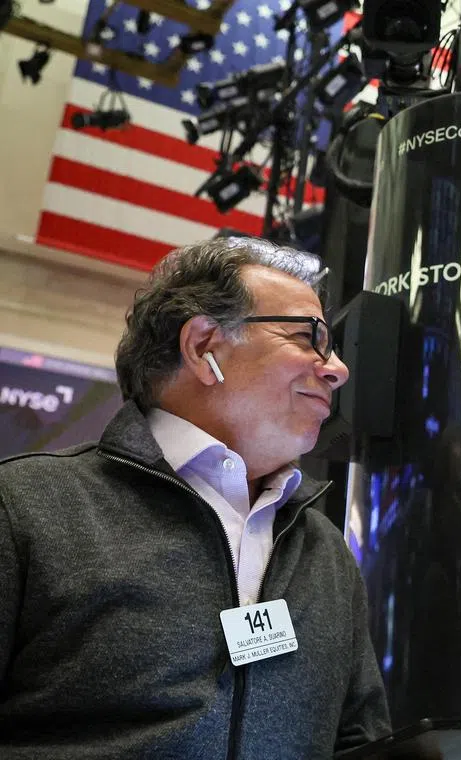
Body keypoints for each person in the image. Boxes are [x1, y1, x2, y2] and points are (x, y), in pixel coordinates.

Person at [0, 237, 391, 758]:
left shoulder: (324, 549)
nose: (337, 369)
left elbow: (360, 740)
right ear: (204, 346)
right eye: (307, 337)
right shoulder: (24, 505)